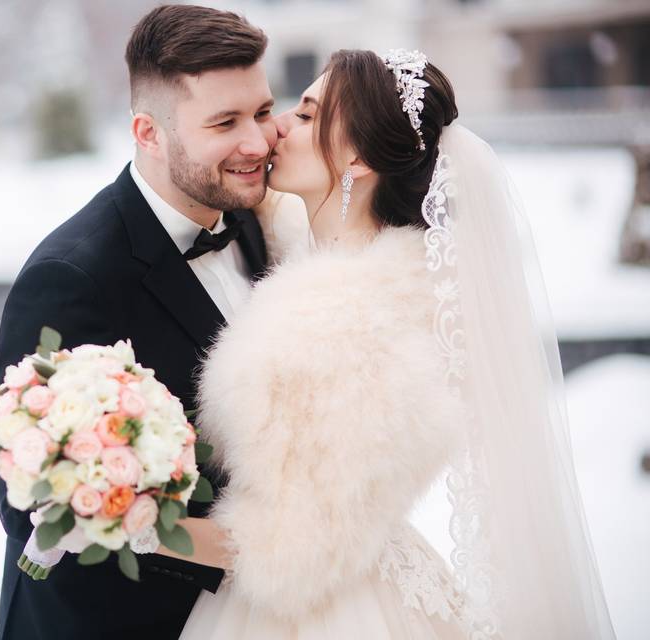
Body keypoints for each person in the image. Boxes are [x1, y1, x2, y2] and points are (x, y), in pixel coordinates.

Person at [179, 49, 617, 639]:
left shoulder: (360, 328)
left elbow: (293, 551)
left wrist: (129, 523)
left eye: (307, 116)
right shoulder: (334, 252)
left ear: (356, 156)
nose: (277, 124)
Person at [0, 5, 276, 639]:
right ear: (148, 132)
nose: (257, 142)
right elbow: (32, 502)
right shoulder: (72, 278)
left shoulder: (259, 218)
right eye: (225, 122)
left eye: (262, 111)